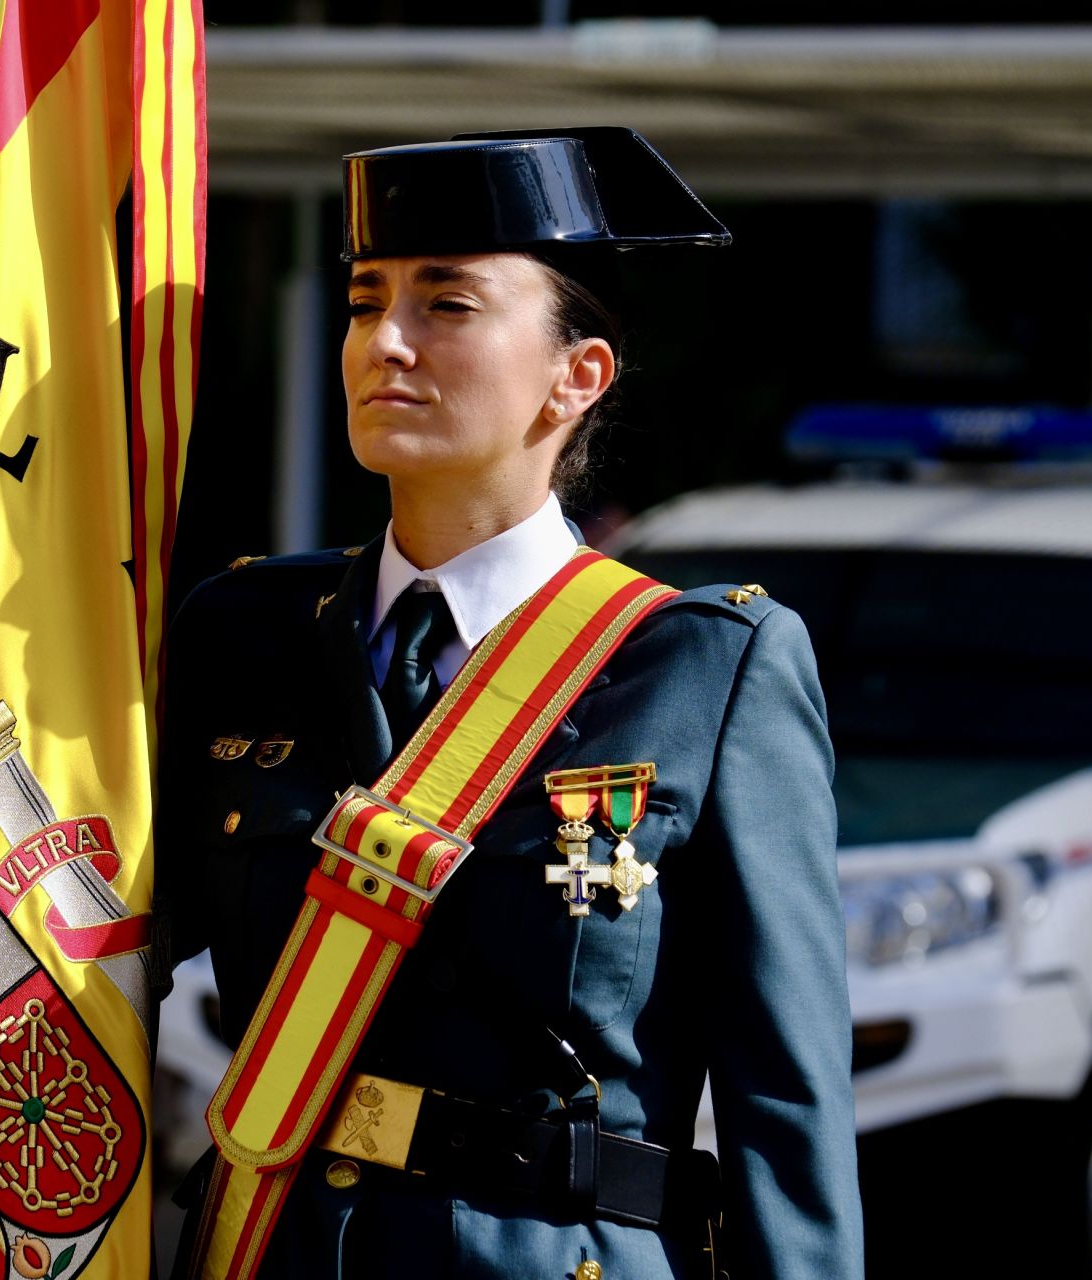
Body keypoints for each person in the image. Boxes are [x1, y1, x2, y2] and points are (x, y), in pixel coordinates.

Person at [157, 128, 861, 1279]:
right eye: (365, 302)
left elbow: (787, 1101)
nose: (385, 341)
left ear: (577, 376)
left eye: (447, 304)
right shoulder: (243, 632)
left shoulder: (704, 667)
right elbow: (93, 953)